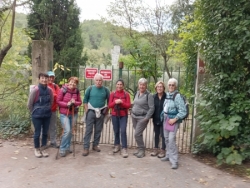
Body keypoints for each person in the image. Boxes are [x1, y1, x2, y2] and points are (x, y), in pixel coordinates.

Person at [161, 78, 187, 169]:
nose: (171, 86)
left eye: (173, 85)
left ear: (175, 86)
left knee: (171, 139)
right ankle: (168, 155)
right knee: (167, 138)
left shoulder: (177, 96)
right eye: (169, 85)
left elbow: (183, 111)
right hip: (166, 119)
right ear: (167, 86)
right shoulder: (168, 95)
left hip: (173, 121)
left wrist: (175, 119)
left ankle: (174, 160)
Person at [82, 73, 110, 156]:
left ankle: (95, 145)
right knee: (88, 130)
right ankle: (86, 148)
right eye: (97, 80)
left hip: (101, 112)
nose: (99, 82)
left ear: (102, 81)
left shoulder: (106, 90)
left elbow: (109, 102)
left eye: (100, 80)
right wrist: (87, 111)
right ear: (94, 80)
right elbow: (85, 100)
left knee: (98, 130)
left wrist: (105, 112)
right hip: (91, 111)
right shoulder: (90, 88)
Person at [27, 72, 53, 158]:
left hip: (47, 115)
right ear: (39, 79)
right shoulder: (35, 90)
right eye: (42, 78)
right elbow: (29, 104)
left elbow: (51, 102)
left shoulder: (50, 90)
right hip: (37, 116)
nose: (44, 80)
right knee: (37, 133)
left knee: (45, 133)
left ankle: (43, 147)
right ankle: (37, 148)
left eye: (46, 78)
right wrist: (34, 112)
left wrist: (47, 109)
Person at [57, 77, 82, 157]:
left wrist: (75, 102)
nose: (72, 84)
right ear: (68, 82)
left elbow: (80, 102)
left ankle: (67, 147)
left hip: (74, 113)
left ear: (76, 84)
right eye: (71, 82)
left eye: (74, 83)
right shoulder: (63, 90)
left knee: (70, 131)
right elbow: (58, 101)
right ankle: (62, 148)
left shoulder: (76, 91)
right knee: (67, 131)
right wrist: (66, 104)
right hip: (64, 114)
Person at [131, 78, 154, 158]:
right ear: (138, 85)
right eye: (140, 84)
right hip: (134, 116)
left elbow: (152, 108)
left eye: (143, 85)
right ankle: (140, 149)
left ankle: (142, 150)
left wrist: (147, 118)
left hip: (142, 118)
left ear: (146, 86)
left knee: (137, 134)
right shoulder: (137, 93)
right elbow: (135, 103)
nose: (142, 86)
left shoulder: (149, 95)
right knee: (139, 134)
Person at [108, 79, 131, 158]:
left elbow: (128, 105)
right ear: (116, 85)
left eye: (121, 84)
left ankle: (124, 148)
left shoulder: (126, 94)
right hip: (114, 114)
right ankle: (116, 145)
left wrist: (121, 102)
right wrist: (115, 102)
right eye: (118, 84)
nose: (119, 86)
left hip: (123, 115)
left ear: (123, 86)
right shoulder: (112, 94)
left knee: (123, 130)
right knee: (116, 130)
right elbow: (109, 105)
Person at [151, 81, 166, 158]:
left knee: (163, 135)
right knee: (156, 134)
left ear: (163, 88)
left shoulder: (166, 96)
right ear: (156, 88)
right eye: (158, 87)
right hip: (155, 119)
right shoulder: (153, 97)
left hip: (164, 119)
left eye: (161, 87)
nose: (159, 88)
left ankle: (163, 150)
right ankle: (155, 149)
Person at [47, 71, 60, 148]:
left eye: (52, 77)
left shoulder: (55, 86)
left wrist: (53, 95)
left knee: (53, 126)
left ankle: (53, 142)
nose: (51, 79)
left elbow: (59, 96)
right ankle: (43, 142)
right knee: (43, 127)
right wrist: (54, 95)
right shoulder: (44, 86)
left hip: (53, 109)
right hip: (44, 110)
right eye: (49, 77)